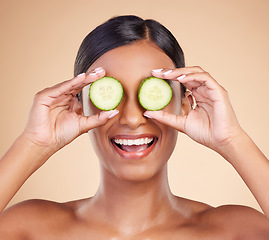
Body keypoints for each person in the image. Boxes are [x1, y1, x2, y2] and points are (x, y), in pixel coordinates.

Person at [0, 15, 269, 239]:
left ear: (186, 104)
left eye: (152, 94)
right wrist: (32, 144)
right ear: (78, 104)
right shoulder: (29, 229)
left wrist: (233, 139)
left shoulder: (236, 231)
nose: (131, 118)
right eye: (109, 94)